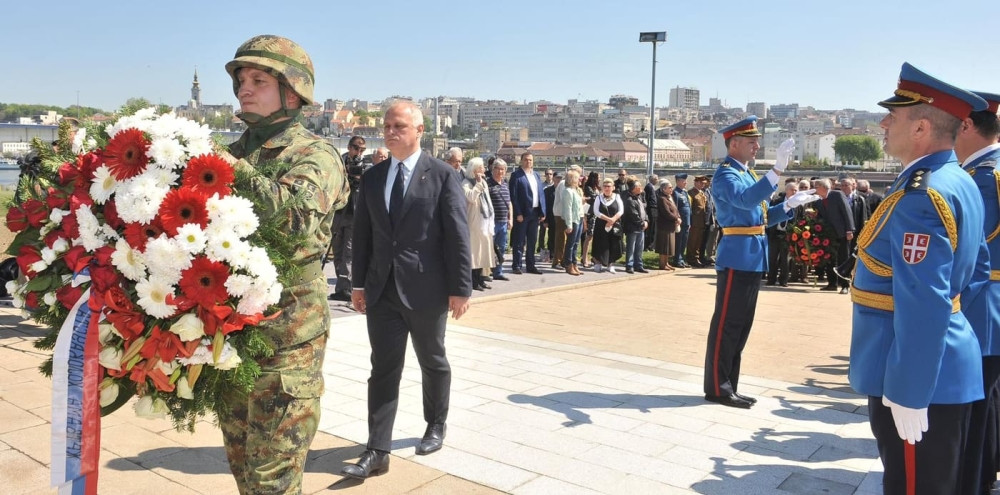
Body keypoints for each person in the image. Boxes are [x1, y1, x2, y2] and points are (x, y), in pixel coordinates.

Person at [849, 62, 990, 494]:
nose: (883, 124)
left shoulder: (922, 195)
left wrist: (911, 389)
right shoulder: (957, 179)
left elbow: (925, 300)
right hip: (945, 367)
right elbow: (978, 273)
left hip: (914, 378)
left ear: (921, 127)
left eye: (893, 115)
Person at [216, 34, 348, 494]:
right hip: (235, 335)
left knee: (272, 479)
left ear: (291, 91)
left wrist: (225, 169)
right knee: (243, 470)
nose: (244, 89)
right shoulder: (236, 152)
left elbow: (294, 220)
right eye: (241, 81)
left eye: (258, 80)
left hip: (290, 338)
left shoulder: (316, 155)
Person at [344, 100, 472, 480]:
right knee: (383, 368)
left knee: (433, 360)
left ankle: (436, 424)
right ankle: (377, 449)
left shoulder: (442, 175)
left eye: (398, 126)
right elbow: (363, 236)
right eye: (386, 126)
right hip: (382, 290)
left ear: (419, 130)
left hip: (426, 289)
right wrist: (358, 284)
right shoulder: (373, 177)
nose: (389, 132)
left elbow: (457, 235)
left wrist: (460, 288)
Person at [704, 115, 815, 410]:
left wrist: (788, 205)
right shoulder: (726, 175)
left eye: (757, 141)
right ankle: (717, 387)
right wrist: (776, 170)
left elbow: (761, 217)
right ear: (734, 144)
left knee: (741, 326)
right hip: (736, 255)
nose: (756, 146)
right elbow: (744, 201)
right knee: (727, 324)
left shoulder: (748, 174)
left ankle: (729, 385)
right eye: (751, 142)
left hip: (752, 255)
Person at [954, 90, 1000, 495]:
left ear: (967, 125)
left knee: (975, 404)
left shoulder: (982, 177)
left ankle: (974, 480)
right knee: (990, 399)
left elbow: (969, 249)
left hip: (981, 304)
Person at [329, 135, 367, 301]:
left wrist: (360, 179)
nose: (359, 152)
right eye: (356, 148)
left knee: (349, 252)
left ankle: (346, 288)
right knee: (337, 250)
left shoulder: (365, 165)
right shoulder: (339, 162)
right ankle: (341, 285)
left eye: (362, 149)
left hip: (355, 213)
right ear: (349, 148)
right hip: (338, 211)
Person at [812, 178, 855, 294]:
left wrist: (849, 230)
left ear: (823, 187)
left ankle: (845, 285)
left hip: (842, 233)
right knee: (829, 259)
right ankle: (832, 283)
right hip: (828, 235)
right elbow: (820, 217)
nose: (815, 189)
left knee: (843, 259)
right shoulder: (818, 200)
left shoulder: (837, 195)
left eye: (816, 187)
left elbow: (847, 211)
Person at [508, 152, 546, 275]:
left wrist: (543, 211)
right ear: (521, 161)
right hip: (522, 214)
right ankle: (517, 265)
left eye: (530, 160)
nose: (528, 162)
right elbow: (513, 197)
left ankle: (531, 265)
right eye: (526, 160)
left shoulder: (536, 175)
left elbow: (540, 194)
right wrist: (517, 213)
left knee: (532, 241)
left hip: (535, 213)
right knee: (519, 241)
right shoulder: (516, 176)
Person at [462, 157, 495, 291]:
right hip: (473, 223)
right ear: (475, 170)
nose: (484, 169)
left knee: (484, 252)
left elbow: (487, 201)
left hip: (484, 222)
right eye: (481, 167)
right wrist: (478, 184)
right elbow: (470, 197)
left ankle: (481, 278)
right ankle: (473, 281)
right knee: (474, 253)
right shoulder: (466, 183)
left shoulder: (483, 182)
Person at [765, 183, 797, 287]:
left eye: (796, 190)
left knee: (785, 259)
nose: (794, 192)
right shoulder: (776, 201)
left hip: (787, 235)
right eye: (792, 190)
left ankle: (783, 280)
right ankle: (771, 279)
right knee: (772, 258)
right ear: (786, 190)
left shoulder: (798, 203)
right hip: (774, 233)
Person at [487, 157, 513, 281]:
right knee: (489, 248)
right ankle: (486, 272)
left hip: (503, 222)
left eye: (502, 169)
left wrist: (510, 219)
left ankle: (498, 272)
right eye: (497, 168)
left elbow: (509, 203)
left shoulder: (505, 184)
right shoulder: (487, 184)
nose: (500, 171)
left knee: (501, 248)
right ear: (493, 169)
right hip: (491, 222)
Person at [591, 178, 624, 273]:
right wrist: (608, 219)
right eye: (605, 186)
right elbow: (596, 211)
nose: (607, 188)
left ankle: (611, 264)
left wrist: (613, 219)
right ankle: (598, 263)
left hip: (614, 224)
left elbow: (621, 210)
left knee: (614, 243)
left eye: (609, 186)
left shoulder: (617, 197)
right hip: (601, 224)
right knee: (600, 243)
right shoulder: (598, 198)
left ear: (613, 187)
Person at [558, 169, 585, 275]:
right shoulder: (568, 191)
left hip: (579, 218)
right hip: (573, 220)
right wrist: (569, 225)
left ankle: (574, 263)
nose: (579, 180)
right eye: (577, 178)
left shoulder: (576, 190)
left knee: (576, 243)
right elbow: (567, 209)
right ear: (572, 179)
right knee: (570, 243)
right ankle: (568, 265)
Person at [622, 177, 649, 274]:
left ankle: (639, 265)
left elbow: (644, 210)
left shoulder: (640, 197)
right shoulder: (629, 199)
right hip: (632, 227)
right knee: (631, 247)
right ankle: (629, 265)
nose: (641, 187)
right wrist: (642, 223)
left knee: (640, 247)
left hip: (641, 227)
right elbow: (633, 214)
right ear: (633, 188)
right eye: (638, 186)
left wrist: (646, 220)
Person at [655, 179, 681, 271]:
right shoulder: (662, 199)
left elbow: (675, 209)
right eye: (669, 188)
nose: (671, 189)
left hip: (671, 226)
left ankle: (666, 263)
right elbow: (667, 212)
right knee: (664, 246)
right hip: (664, 226)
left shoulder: (669, 197)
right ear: (664, 189)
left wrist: (678, 217)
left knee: (669, 246)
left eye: (671, 187)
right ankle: (662, 264)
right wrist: (676, 218)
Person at [687, 175, 710, 267]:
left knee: (698, 241)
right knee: (693, 241)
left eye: (703, 183)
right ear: (695, 182)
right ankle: (691, 259)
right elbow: (690, 208)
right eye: (701, 183)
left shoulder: (701, 193)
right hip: (694, 221)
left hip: (701, 221)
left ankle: (696, 258)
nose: (702, 185)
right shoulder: (691, 193)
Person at [580, 171, 600, 268]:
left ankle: (593, 257)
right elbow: (594, 198)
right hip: (589, 215)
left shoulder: (596, 188)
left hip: (596, 215)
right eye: (598, 177)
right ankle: (584, 258)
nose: (599, 179)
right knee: (588, 237)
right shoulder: (588, 188)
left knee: (594, 238)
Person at [672, 174, 692, 268]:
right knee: (679, 241)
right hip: (680, 222)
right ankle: (677, 260)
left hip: (687, 221)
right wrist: (677, 219)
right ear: (678, 181)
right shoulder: (675, 193)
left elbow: (688, 207)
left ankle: (681, 259)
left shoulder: (684, 192)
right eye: (683, 181)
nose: (685, 182)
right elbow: (675, 208)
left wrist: (689, 221)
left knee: (684, 242)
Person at [538, 168, 555, 260]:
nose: (549, 176)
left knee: (551, 233)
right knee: (542, 232)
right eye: (547, 174)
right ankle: (541, 248)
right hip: (544, 211)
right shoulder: (541, 186)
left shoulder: (555, 186)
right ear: (545, 175)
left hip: (552, 213)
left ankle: (550, 251)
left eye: (550, 174)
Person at [644, 174, 659, 251]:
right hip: (651, 209)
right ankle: (648, 244)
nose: (657, 181)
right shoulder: (649, 187)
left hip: (654, 209)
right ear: (653, 179)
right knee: (650, 228)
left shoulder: (652, 187)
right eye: (656, 179)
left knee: (653, 227)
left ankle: (651, 244)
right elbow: (648, 198)